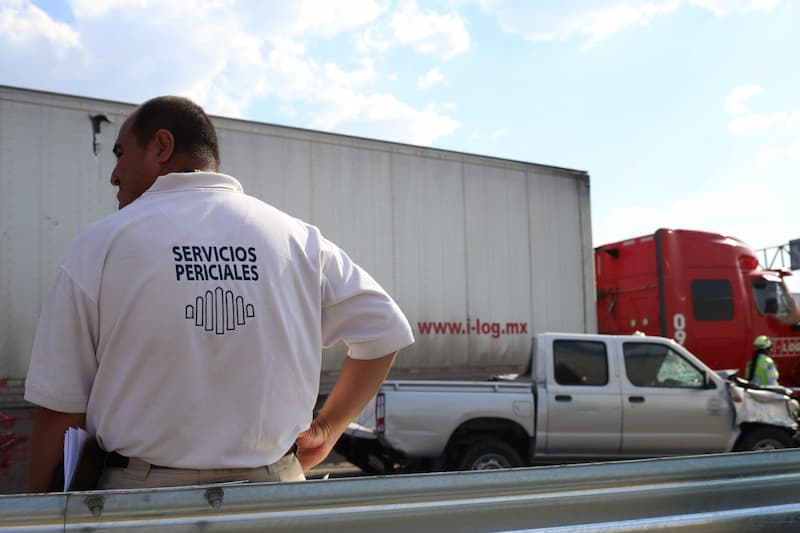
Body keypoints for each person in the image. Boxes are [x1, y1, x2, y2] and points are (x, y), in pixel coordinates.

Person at [24, 96, 415, 492]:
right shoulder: (298, 240)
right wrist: (327, 429)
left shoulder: (100, 244)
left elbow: (60, 410)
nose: (114, 175)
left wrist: (36, 515)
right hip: (277, 498)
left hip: (141, 500)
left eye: (121, 153)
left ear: (161, 146)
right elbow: (384, 330)